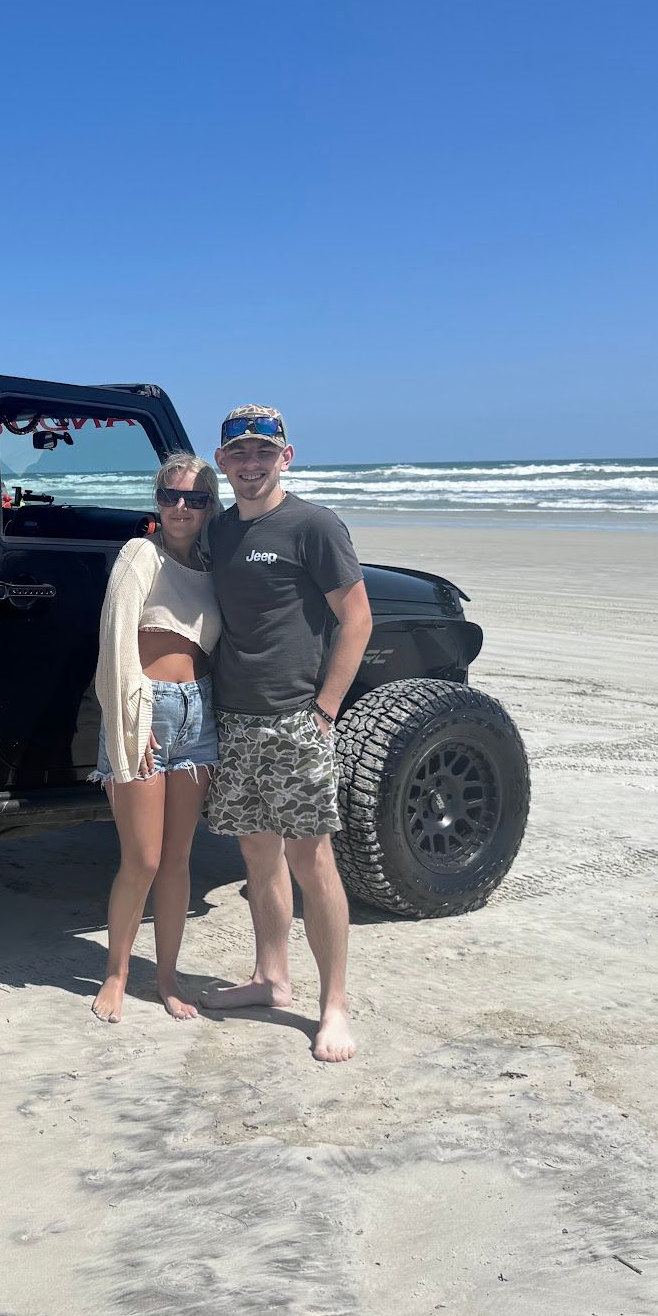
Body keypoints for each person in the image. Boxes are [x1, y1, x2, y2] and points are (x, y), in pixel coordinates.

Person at [199, 406, 372, 1062]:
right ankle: (271, 977)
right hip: (236, 719)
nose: (251, 465)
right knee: (257, 858)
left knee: (312, 862)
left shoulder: (314, 525)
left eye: (263, 454)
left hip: (297, 718)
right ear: (223, 462)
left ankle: (334, 1004)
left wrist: (325, 709)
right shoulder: (219, 532)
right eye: (239, 454)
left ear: (286, 457)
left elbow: (356, 620)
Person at [89, 453, 223, 1024]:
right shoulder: (139, 554)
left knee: (178, 862)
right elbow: (115, 640)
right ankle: (116, 973)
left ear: (209, 505)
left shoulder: (216, 567)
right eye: (170, 496)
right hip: (144, 709)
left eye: (193, 499)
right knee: (141, 858)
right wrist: (129, 723)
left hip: (198, 714)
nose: (179, 508)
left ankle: (166, 978)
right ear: (157, 499)